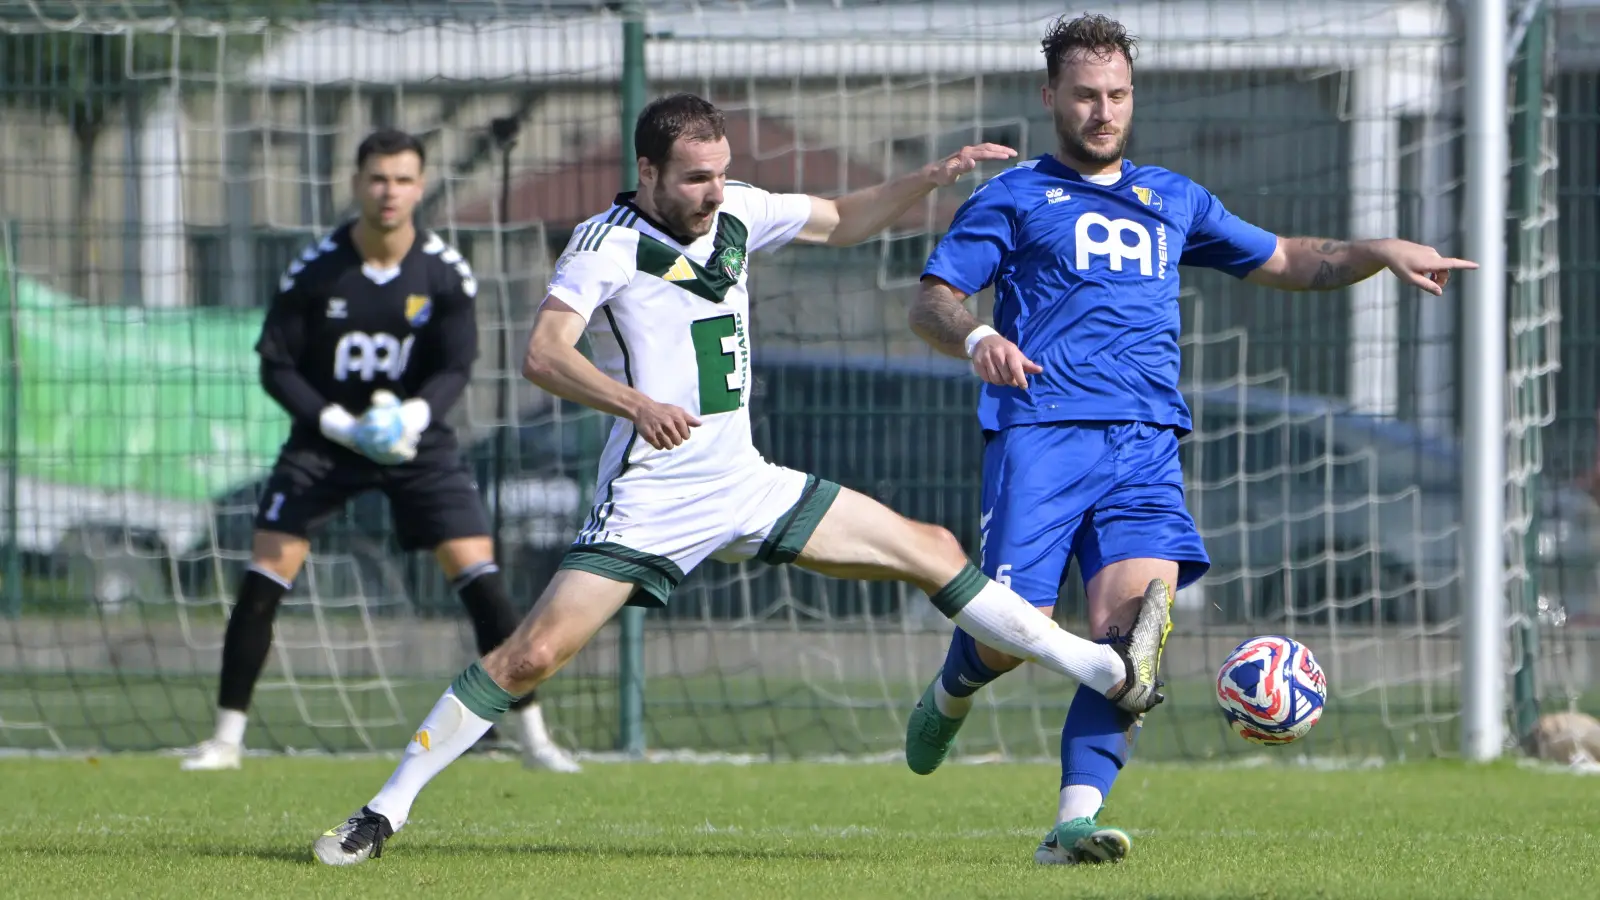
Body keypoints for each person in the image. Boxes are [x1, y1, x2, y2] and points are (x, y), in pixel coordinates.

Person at [309, 92, 1174, 866]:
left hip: (744, 483)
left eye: (720, 173)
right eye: (693, 178)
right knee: (532, 654)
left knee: (933, 548)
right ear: (647, 172)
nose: (713, 191)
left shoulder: (738, 214)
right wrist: (631, 402)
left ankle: (1101, 670)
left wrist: (930, 177)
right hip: (649, 501)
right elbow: (542, 353)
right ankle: (382, 812)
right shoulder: (605, 245)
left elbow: (842, 218)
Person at [904, 13, 1479, 865]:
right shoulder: (1014, 196)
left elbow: (1294, 258)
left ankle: (1071, 825)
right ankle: (956, 685)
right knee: (1006, 636)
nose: (1103, 111)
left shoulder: (1174, 197)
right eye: (1086, 95)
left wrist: (1379, 249)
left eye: (1118, 95)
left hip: (1146, 446)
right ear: (1050, 97)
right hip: (1043, 435)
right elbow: (933, 301)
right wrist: (978, 338)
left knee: (1135, 640)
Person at [178, 128, 580, 775]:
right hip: (325, 443)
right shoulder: (316, 269)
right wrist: (337, 422)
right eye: (377, 178)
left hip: (418, 445)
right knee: (263, 580)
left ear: (418, 187)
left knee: (482, 583)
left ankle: (534, 739)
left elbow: (457, 365)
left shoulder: (446, 272)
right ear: (357, 184)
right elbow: (275, 364)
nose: (388, 191)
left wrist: (414, 416)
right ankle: (225, 741)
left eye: (401, 179)